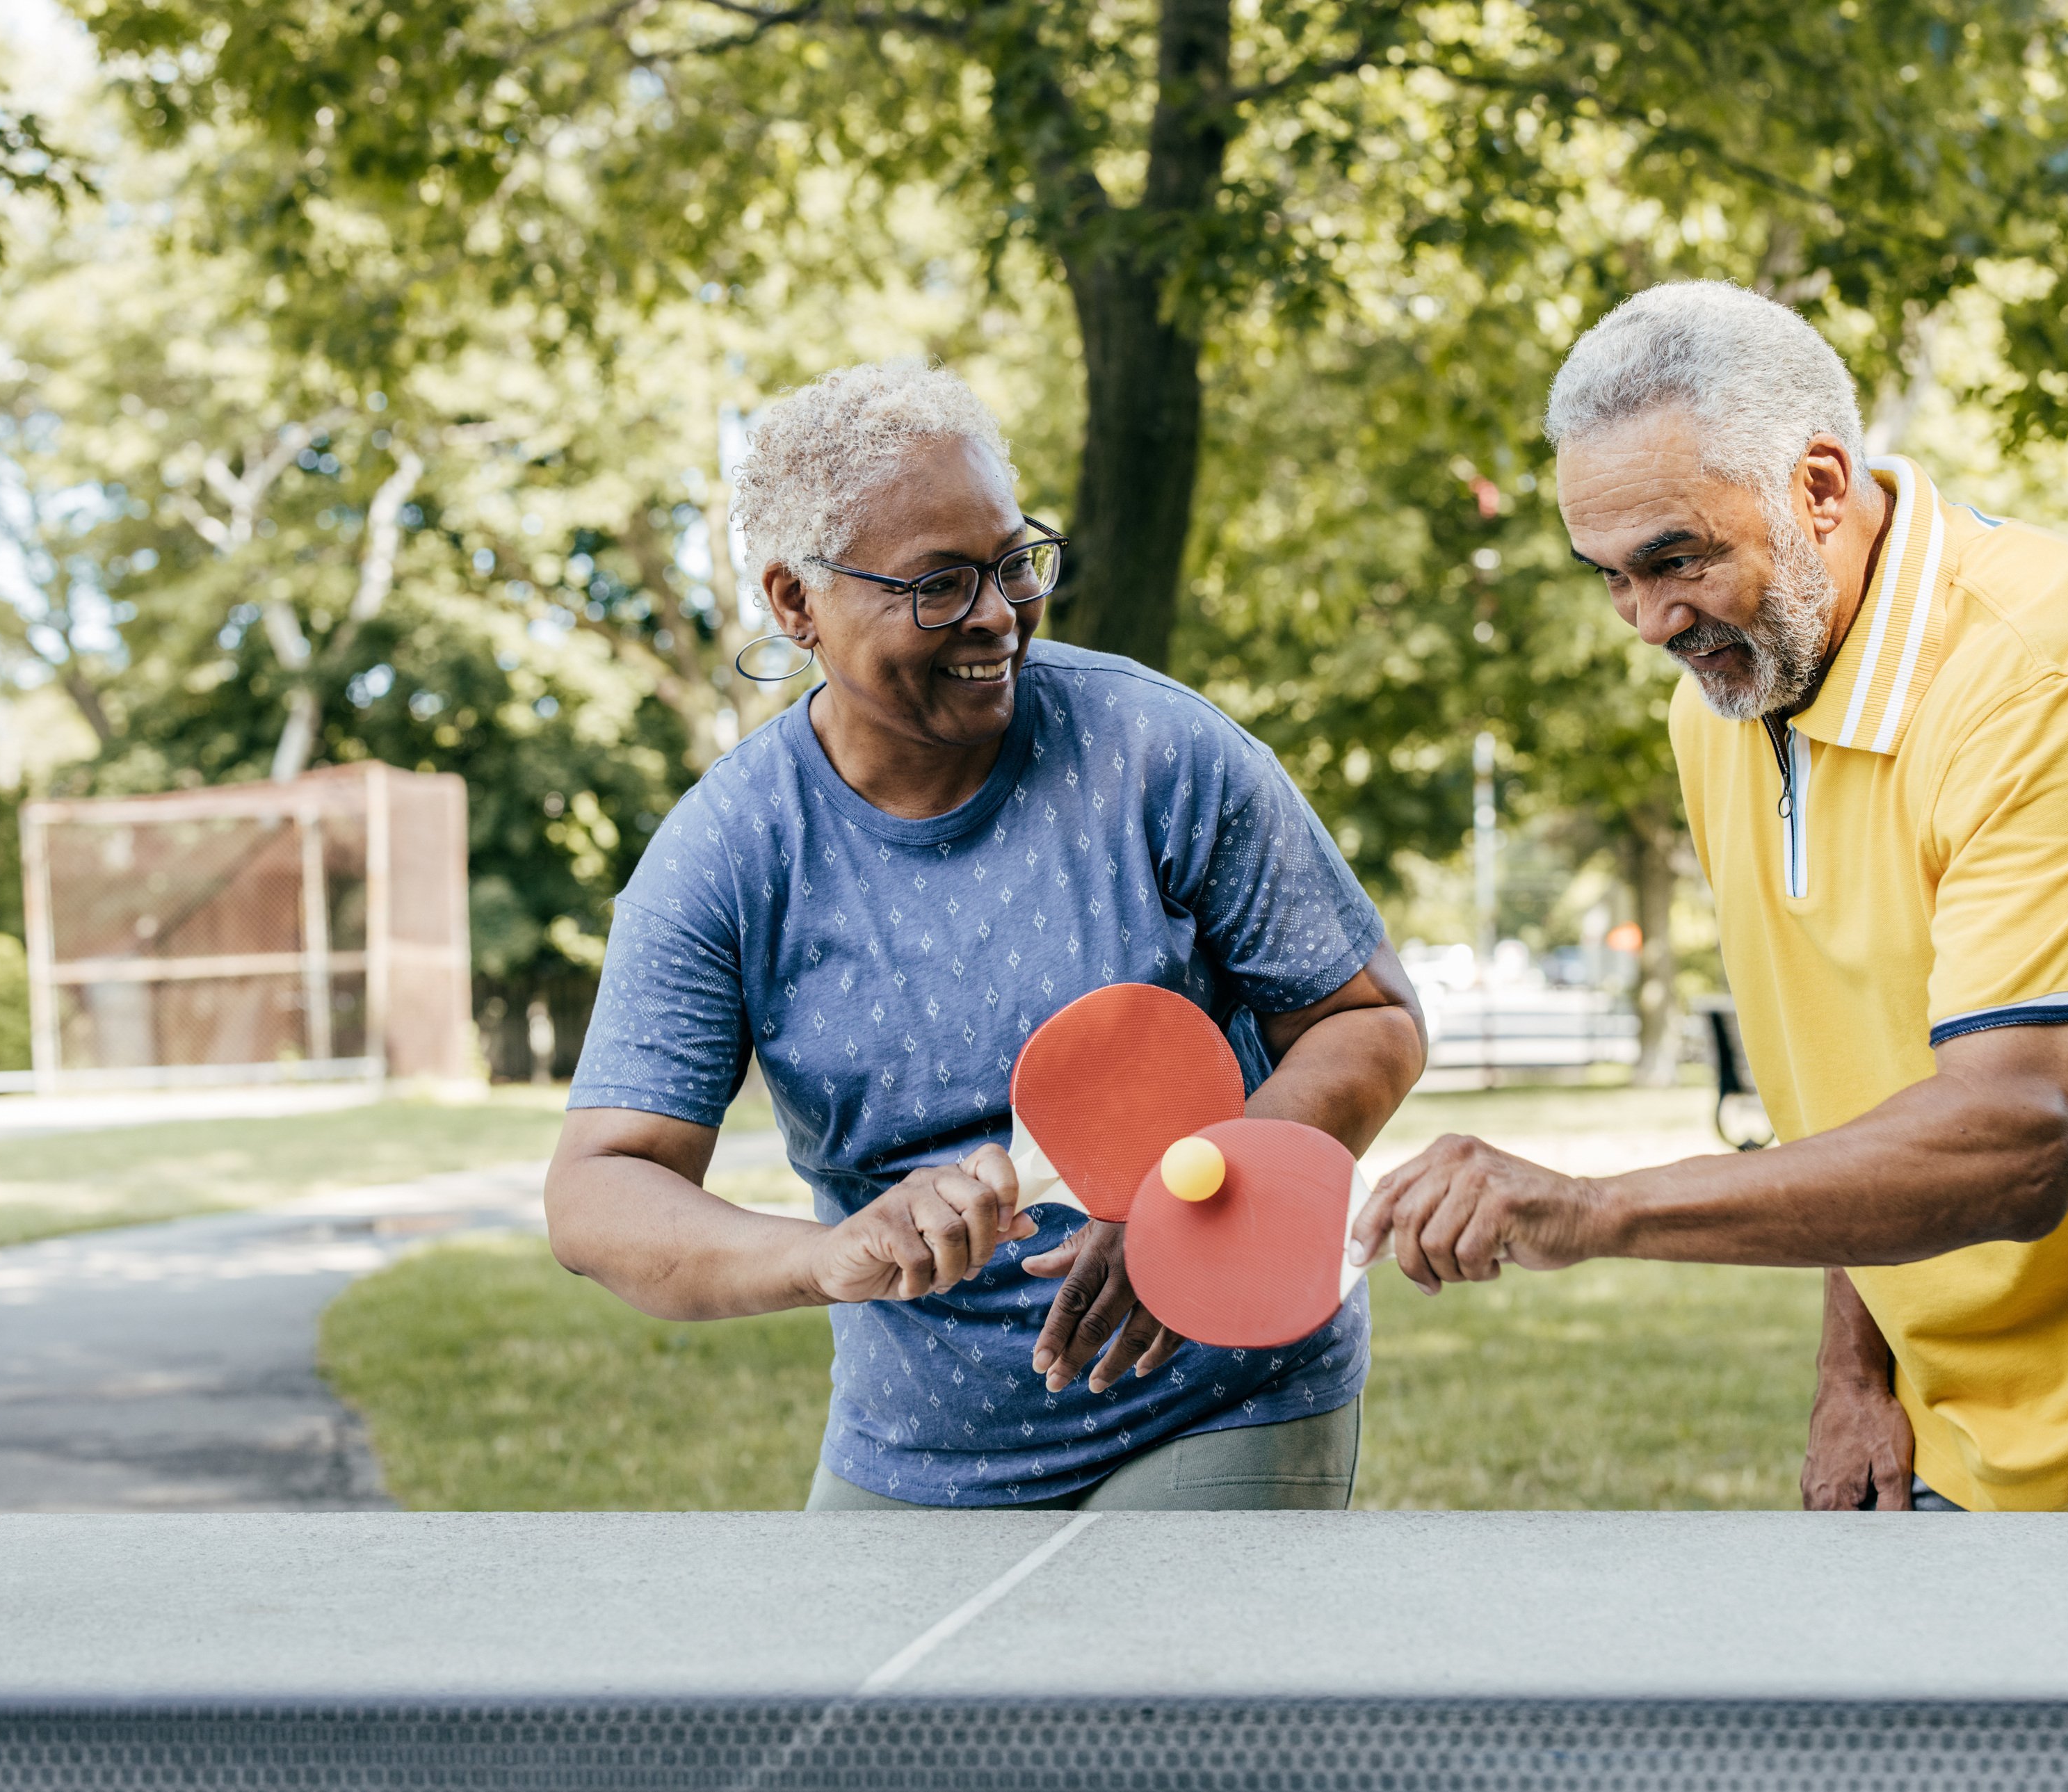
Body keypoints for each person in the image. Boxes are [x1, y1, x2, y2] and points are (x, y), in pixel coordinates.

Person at [1355, 281, 2068, 1590]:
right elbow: (1857, 1075)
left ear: (1822, 484)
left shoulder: (2054, 674)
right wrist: (1852, 1368)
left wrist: (1592, 1208)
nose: (1648, 623)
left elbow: (2014, 1137)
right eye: (1611, 578)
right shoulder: (1722, 711)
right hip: (1977, 1355)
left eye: (1675, 559)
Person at [547, 360, 1425, 1510]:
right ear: (796, 602)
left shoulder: (1158, 752)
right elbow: (599, 1191)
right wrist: (828, 1257)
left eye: (1014, 562)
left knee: (1145, 1699)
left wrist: (1175, 1217)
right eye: (940, 584)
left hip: (1228, 1392)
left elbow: (1368, 1023)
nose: (999, 615)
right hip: (919, 1443)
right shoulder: (725, 853)